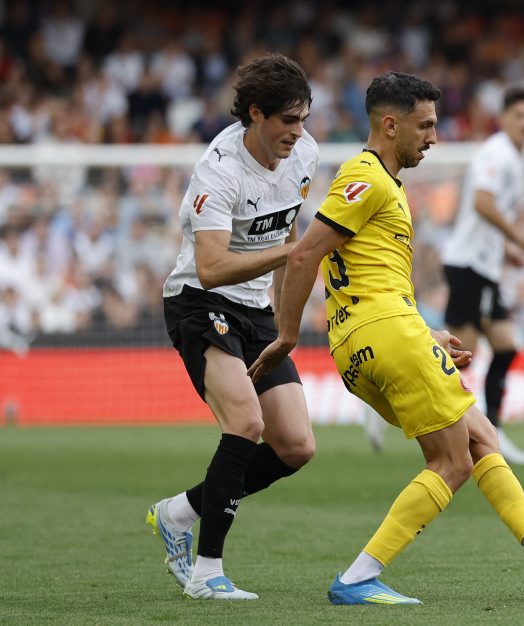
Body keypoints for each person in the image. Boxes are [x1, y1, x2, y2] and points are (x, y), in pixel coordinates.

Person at [248, 72, 524, 605]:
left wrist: (425, 333)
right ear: (390, 124)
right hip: (387, 336)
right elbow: (305, 252)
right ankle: (358, 577)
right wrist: (287, 334)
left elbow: (367, 279)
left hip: (365, 343)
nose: (433, 137)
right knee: (451, 462)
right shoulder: (368, 178)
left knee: (479, 436)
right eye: (424, 126)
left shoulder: (383, 183)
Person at [147, 53, 319, 600]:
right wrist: (291, 253)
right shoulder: (218, 170)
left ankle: (180, 511)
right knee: (245, 422)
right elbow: (212, 267)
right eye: (288, 120)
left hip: (255, 309)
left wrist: (285, 322)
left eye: (304, 118)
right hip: (200, 302)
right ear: (255, 114)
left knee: (296, 445)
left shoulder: (305, 155)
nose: (298, 131)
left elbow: (288, 232)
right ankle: (207, 573)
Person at [440, 85, 524, 466]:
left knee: (505, 346)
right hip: (468, 265)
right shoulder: (497, 153)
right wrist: (520, 238)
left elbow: (485, 217)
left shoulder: (513, 158)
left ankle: (494, 432)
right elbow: (482, 203)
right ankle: (393, 398)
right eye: (519, 115)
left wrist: (507, 250)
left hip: (483, 266)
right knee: (459, 357)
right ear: (503, 118)